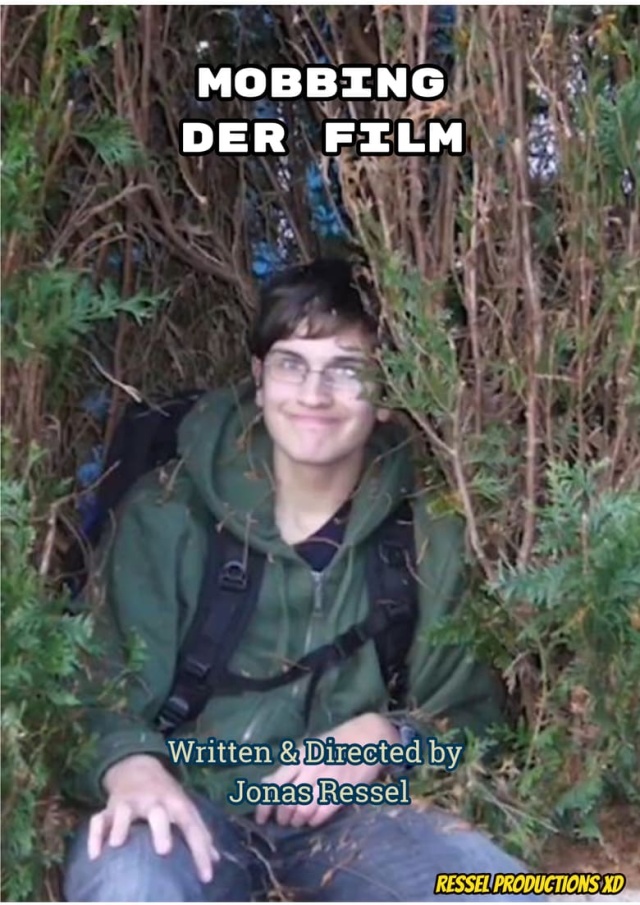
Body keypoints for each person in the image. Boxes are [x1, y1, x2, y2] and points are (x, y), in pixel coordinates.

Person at [63, 258, 536, 902]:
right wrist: (128, 764)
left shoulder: (433, 532)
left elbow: (473, 734)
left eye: (347, 369)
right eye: (291, 364)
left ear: (387, 392)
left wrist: (388, 741)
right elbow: (86, 692)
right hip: (185, 803)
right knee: (131, 884)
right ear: (259, 380)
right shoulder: (166, 515)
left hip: (364, 823)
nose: (314, 394)